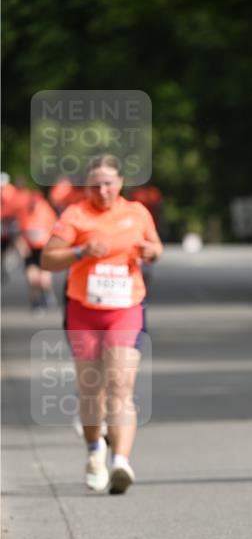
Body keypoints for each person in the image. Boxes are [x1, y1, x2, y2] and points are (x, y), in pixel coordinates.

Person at [41, 155, 163, 494]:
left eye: (108, 183)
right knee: (92, 391)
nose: (102, 190)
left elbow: (156, 247)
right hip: (84, 311)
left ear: (120, 183)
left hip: (126, 308)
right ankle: (95, 450)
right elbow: (47, 260)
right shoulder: (75, 215)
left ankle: (120, 461)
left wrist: (150, 250)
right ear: (87, 186)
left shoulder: (137, 213)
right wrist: (80, 251)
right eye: (95, 184)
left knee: (121, 386)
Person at [16, 190, 57, 310]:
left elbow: (56, 229)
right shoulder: (23, 212)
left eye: (35, 203)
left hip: (44, 249)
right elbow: (18, 232)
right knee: (32, 279)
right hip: (30, 250)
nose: (33, 206)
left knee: (44, 280)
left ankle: (47, 293)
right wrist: (21, 245)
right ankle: (35, 302)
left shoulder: (46, 211)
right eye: (31, 203)